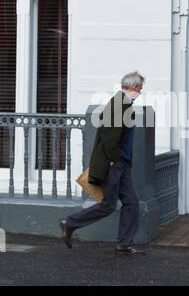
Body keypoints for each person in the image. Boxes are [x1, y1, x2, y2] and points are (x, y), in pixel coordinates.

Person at [60, 71, 144, 254]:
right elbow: (108, 134)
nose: (141, 93)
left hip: (121, 163)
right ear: (135, 87)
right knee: (108, 205)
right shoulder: (119, 104)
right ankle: (70, 223)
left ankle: (124, 243)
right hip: (114, 164)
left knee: (131, 203)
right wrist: (115, 158)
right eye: (141, 89)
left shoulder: (122, 104)